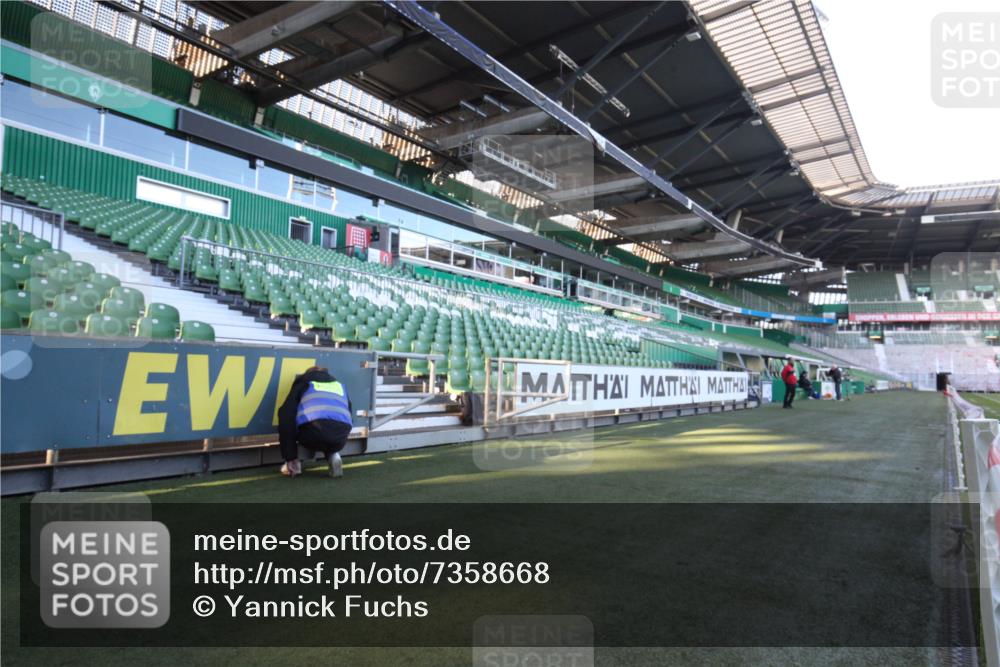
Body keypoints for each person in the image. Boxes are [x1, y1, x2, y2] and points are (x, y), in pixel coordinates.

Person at [277, 366, 353, 478]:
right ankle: (333, 455)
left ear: (306, 374)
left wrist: (290, 456)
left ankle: (294, 464)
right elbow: (349, 414)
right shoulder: (340, 386)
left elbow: (285, 415)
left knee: (292, 420)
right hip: (340, 438)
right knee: (329, 428)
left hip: (311, 435)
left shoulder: (304, 384)